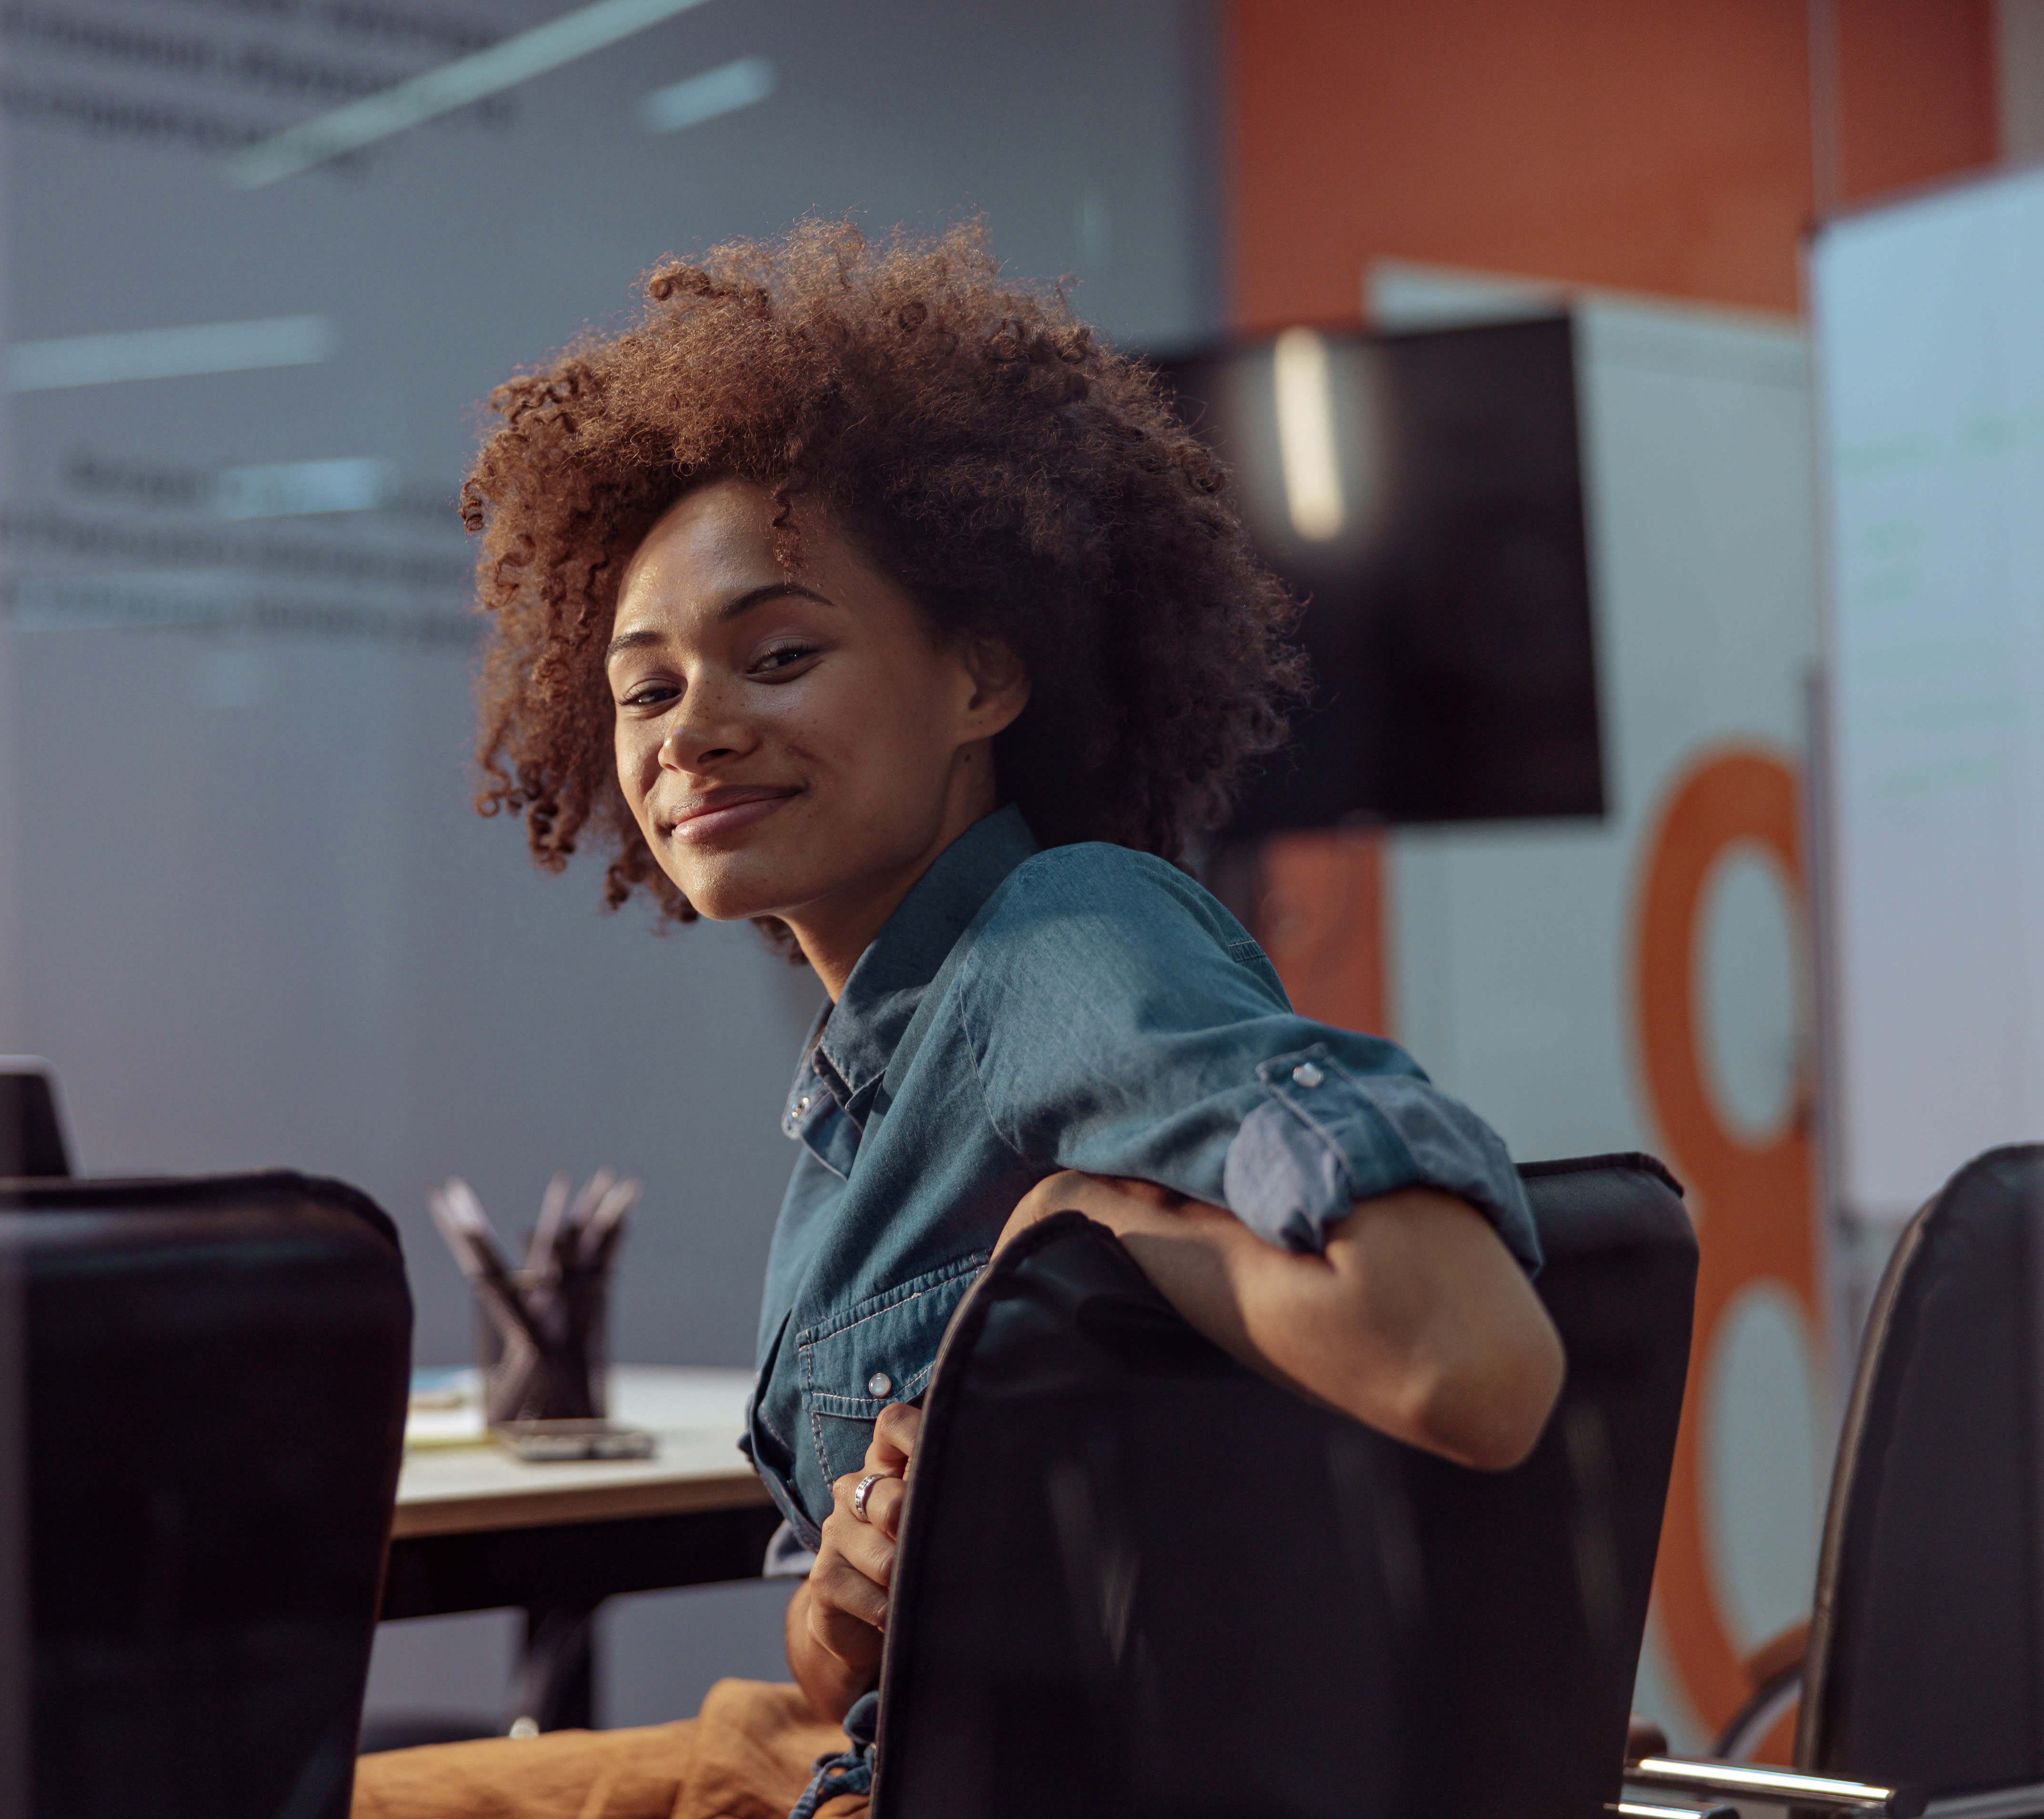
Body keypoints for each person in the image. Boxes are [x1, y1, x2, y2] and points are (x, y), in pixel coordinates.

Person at [352, 220, 1565, 1819]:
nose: (694, 731)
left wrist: (1093, 1232)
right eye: (645, 692)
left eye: (778, 654)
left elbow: (1471, 1363)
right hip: (868, 1752)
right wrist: (845, 1588)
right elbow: (835, 1665)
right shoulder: (881, 1066)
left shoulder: (1063, 942)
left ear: (987, 681)